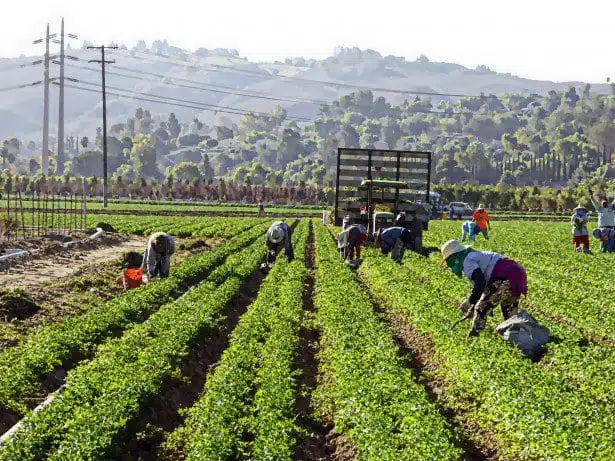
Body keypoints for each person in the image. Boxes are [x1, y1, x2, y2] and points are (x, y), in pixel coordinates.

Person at [440, 239, 527, 337]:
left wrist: (470, 301)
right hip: (517, 274)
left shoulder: (467, 261)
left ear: (454, 257)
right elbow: (483, 289)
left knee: (481, 308)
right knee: (509, 311)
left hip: (504, 276)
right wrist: (472, 308)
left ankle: (473, 338)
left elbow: (480, 283)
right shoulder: (474, 255)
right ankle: (518, 338)